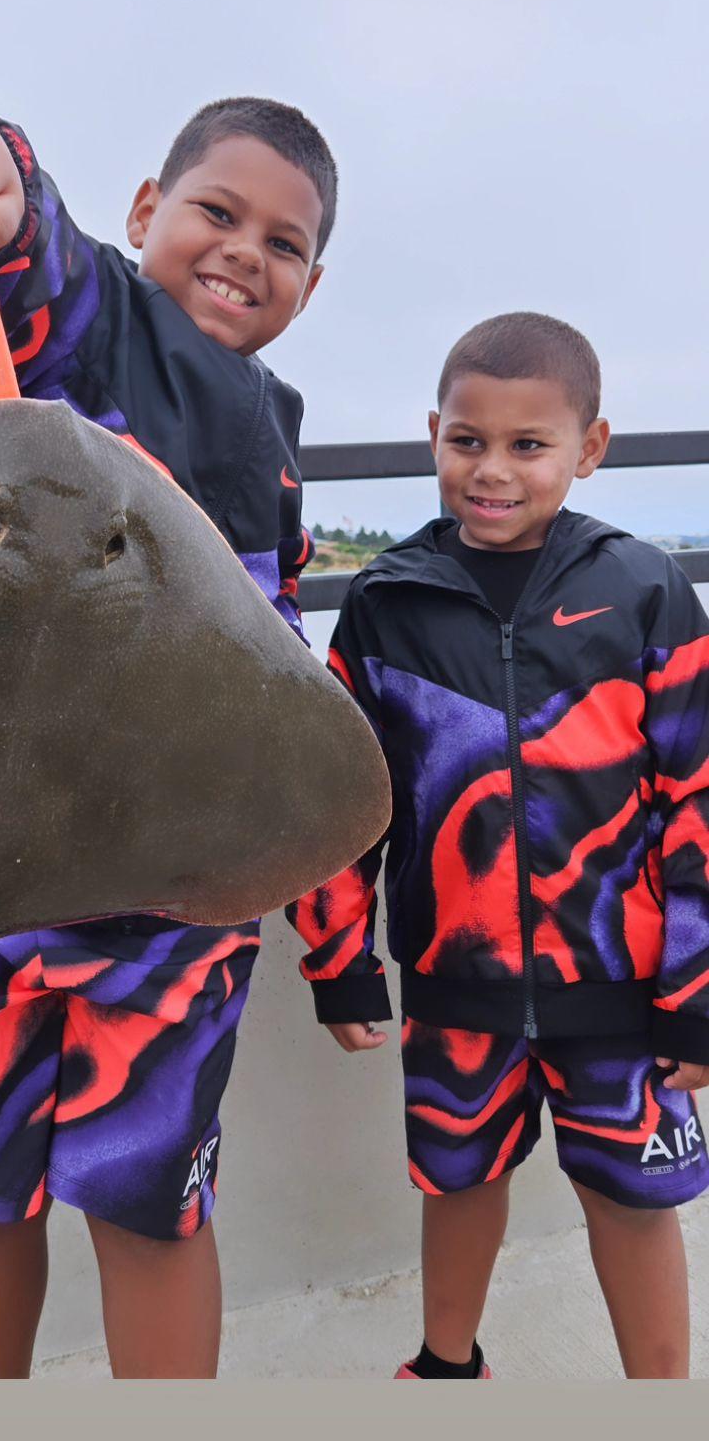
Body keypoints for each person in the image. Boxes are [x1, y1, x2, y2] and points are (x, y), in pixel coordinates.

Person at [0, 84, 336, 1378]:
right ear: (145, 213)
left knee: (151, 1205)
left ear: (312, 283)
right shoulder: (95, 333)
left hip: (173, 920)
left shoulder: (270, 440)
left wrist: (338, 932)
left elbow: (285, 683)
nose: (247, 250)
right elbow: (38, 278)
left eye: (286, 243)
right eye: (216, 212)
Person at [288, 311, 709, 1380]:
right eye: (467, 440)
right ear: (434, 432)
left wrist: (696, 994)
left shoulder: (646, 591)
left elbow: (695, 806)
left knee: (630, 1200)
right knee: (458, 1179)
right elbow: (347, 807)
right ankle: (445, 1367)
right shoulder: (386, 605)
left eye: (531, 445)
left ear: (591, 448)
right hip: (452, 985)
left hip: (624, 991)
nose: (494, 470)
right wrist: (341, 966)